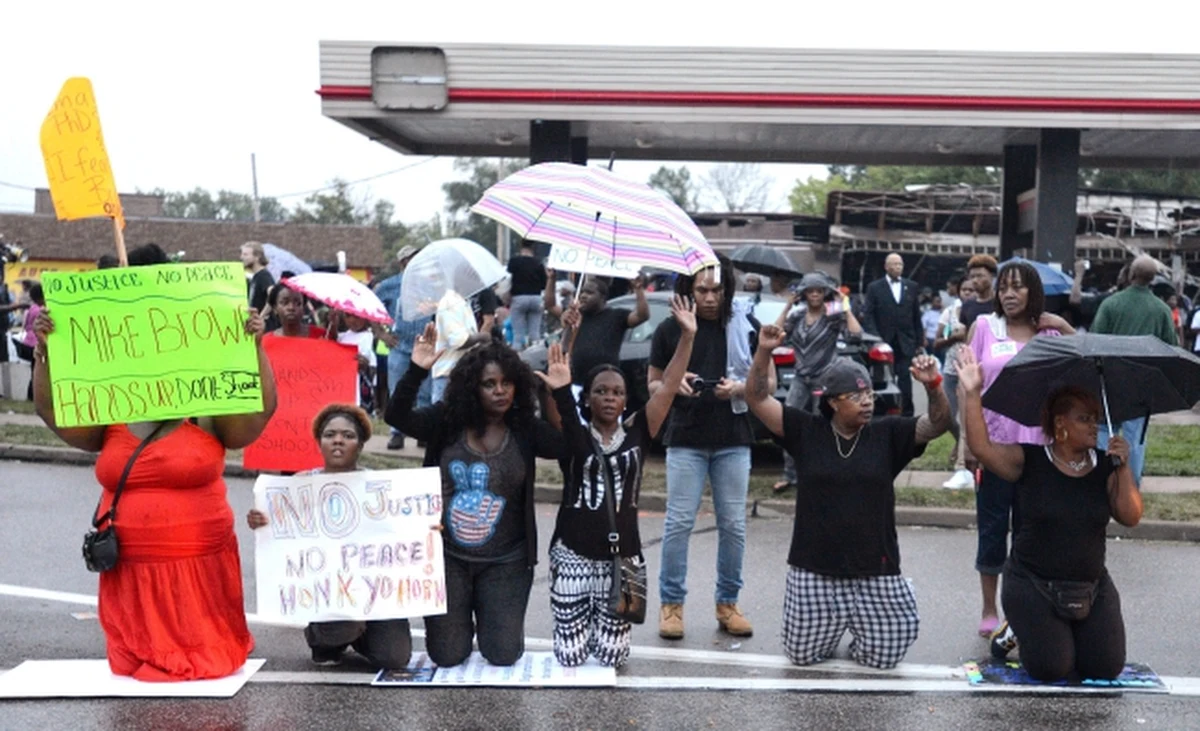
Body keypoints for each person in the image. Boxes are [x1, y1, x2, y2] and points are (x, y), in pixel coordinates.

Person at [30, 243, 278, 681]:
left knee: (201, 664)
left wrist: (252, 348)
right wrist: (48, 352)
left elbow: (257, 417)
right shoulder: (108, 399)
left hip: (197, 565)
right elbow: (55, 414)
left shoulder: (206, 394)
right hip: (131, 567)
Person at [745, 328, 950, 669]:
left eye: (869, 393)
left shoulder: (887, 434)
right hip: (814, 568)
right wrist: (764, 351)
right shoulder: (806, 431)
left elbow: (938, 424)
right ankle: (832, 626)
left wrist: (933, 386)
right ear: (832, 402)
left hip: (875, 567)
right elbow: (756, 398)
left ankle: (886, 607)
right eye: (856, 396)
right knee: (801, 656)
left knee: (884, 658)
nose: (867, 401)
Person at [385, 329, 566, 667]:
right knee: (448, 655)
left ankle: (490, 615)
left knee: (503, 654)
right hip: (447, 558)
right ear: (472, 387)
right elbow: (396, 416)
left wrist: (560, 392)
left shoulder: (524, 428)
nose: (500, 391)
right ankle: (456, 621)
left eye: (507, 383)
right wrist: (417, 370)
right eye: (489, 384)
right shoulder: (446, 420)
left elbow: (568, 446)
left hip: (507, 561)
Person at [958, 355, 1142, 681]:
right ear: (1060, 424)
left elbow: (1130, 517)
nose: (1093, 426)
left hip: (1090, 586)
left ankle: (1061, 630)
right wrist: (972, 393)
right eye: (1084, 419)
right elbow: (982, 448)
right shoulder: (1028, 459)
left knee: (1104, 667)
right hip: (1032, 584)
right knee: (1052, 668)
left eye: (1095, 419)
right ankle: (1016, 629)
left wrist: (1124, 467)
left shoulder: (1105, 465)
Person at [539, 296, 697, 668]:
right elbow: (556, 393)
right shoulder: (574, 434)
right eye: (601, 391)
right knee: (571, 657)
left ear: (626, 400)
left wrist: (687, 337)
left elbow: (668, 386)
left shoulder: (640, 431)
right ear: (587, 398)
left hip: (622, 559)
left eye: (617, 392)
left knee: (611, 657)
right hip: (573, 556)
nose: (609, 398)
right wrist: (569, 337)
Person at [651, 255, 767, 640]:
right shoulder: (670, 329)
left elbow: (767, 384)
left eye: (717, 290)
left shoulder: (744, 325)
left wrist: (739, 388)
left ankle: (728, 603)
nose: (710, 298)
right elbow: (652, 384)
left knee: (733, 524)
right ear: (689, 289)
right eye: (702, 290)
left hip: (733, 438)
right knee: (678, 522)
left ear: (728, 289)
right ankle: (671, 605)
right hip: (685, 437)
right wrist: (675, 382)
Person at [247, 404, 412, 670]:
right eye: (330, 435)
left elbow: (406, 532)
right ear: (319, 442)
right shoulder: (299, 485)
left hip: (375, 593)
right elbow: (277, 537)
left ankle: (362, 637)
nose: (338, 440)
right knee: (343, 624)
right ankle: (323, 640)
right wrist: (261, 521)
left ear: (360, 445)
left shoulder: (380, 487)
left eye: (348, 436)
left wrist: (426, 528)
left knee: (395, 658)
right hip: (329, 593)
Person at [966, 260, 1074, 639]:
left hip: (1041, 450)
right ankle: (989, 608)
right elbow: (968, 386)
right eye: (1004, 288)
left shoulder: (1050, 333)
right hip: (995, 447)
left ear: (1033, 292)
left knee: (1033, 533)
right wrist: (968, 443)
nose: (1009, 294)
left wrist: (1063, 327)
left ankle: (1027, 607)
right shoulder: (984, 327)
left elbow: (1082, 368)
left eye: (1018, 287)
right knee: (993, 529)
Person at [771, 272, 863, 494]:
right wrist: (787, 306)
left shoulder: (832, 315)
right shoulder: (797, 316)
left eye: (819, 291)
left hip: (824, 379)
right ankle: (790, 474)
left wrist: (845, 307)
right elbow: (775, 334)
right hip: (801, 378)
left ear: (824, 293)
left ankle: (822, 473)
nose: (814, 294)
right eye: (810, 291)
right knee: (789, 421)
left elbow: (856, 335)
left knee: (823, 426)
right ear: (803, 294)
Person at [1091, 255, 1178, 485]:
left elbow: (1094, 340)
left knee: (1103, 432)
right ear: (1153, 279)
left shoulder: (1111, 304)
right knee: (1135, 439)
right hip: (1142, 386)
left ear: (1131, 274)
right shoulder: (1161, 310)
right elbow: (1171, 348)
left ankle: (1101, 483)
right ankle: (1130, 488)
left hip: (1109, 382)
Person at [550, 276, 649, 396]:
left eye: (589, 293)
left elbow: (642, 316)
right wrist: (551, 279)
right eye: (581, 292)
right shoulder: (575, 317)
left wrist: (638, 290)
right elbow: (551, 306)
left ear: (603, 297)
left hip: (605, 385)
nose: (583, 296)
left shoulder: (616, 316)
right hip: (576, 383)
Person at [862, 253, 924, 416]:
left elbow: (916, 315)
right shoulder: (875, 287)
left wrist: (919, 341)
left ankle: (907, 414)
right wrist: (875, 338)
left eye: (900, 264)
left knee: (905, 379)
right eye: (894, 264)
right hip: (882, 342)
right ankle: (880, 412)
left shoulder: (911, 286)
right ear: (886, 267)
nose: (897, 267)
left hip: (905, 340)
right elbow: (868, 315)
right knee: (881, 378)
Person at [935, 278, 978, 488]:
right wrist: (954, 337)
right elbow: (937, 341)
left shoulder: (983, 312)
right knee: (948, 415)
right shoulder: (950, 312)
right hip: (952, 369)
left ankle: (963, 457)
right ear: (958, 291)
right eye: (964, 289)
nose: (968, 293)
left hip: (972, 370)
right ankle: (959, 443)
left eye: (971, 289)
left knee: (968, 416)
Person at [432, 288, 492, 403]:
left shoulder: (462, 301)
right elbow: (458, 341)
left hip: (463, 373)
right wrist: (482, 337)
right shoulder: (450, 302)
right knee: (446, 412)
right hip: (449, 375)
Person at [507, 241, 548, 350]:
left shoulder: (514, 261)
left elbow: (508, 279)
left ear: (521, 246)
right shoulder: (538, 263)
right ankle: (535, 354)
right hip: (536, 298)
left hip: (518, 298)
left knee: (518, 334)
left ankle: (517, 355)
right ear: (534, 247)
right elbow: (544, 284)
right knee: (535, 333)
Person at [13, 282, 44, 400]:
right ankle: (33, 394)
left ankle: (31, 395)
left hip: (28, 341)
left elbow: (26, 326)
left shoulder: (31, 309)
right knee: (38, 370)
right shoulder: (41, 310)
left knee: (33, 369)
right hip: (36, 342)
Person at [959, 254, 998, 331]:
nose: (975, 280)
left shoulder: (1001, 303)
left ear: (992, 276)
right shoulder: (967, 305)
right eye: (972, 277)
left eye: (979, 276)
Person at [241, 241, 275, 313]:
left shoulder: (264, 275)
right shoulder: (255, 277)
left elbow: (273, 295)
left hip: (263, 320)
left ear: (257, 257)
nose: (241, 257)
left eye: (245, 255)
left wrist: (262, 315)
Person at [922, 295, 944, 363]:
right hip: (930, 339)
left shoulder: (943, 313)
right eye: (937, 301)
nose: (938, 303)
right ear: (932, 302)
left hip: (940, 339)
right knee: (932, 358)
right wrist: (924, 339)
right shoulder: (927, 314)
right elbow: (924, 327)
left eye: (939, 301)